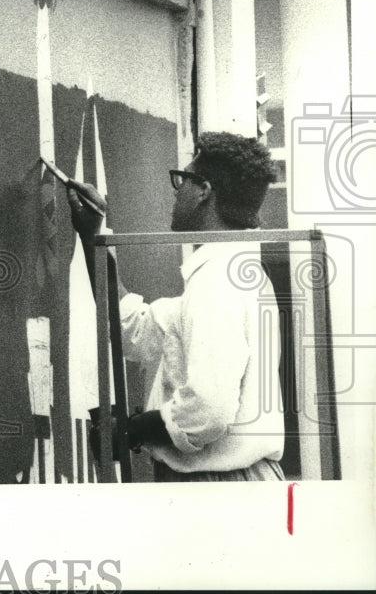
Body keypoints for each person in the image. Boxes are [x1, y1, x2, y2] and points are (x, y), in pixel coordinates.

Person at [67, 131, 285, 482]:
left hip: (219, 490)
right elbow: (134, 329)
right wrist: (93, 236)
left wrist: (135, 428)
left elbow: (207, 413)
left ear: (203, 191)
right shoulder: (232, 272)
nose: (177, 189)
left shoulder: (217, 280)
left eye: (182, 179)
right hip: (234, 483)